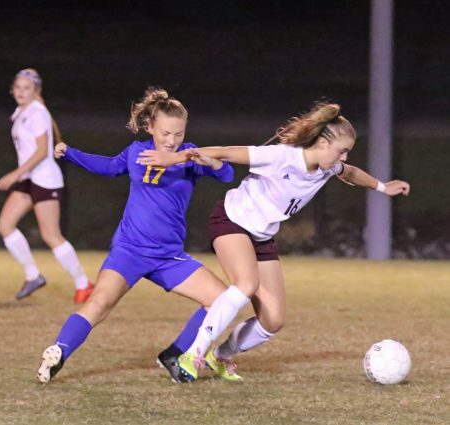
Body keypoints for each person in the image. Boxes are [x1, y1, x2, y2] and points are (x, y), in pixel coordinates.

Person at [137, 102, 411, 381]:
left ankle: (219, 356)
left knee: (273, 320)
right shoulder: (282, 157)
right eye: (342, 150)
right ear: (324, 141)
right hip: (231, 221)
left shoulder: (328, 167)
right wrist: (173, 159)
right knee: (245, 285)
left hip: (261, 237)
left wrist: (381, 186)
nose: (344, 156)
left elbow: (350, 172)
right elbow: (224, 152)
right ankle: (192, 355)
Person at [36, 87, 236, 384]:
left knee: (222, 300)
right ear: (151, 127)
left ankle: (175, 353)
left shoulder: (189, 155)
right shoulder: (135, 153)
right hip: (130, 250)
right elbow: (108, 167)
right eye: (166, 133)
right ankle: (58, 352)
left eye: (178, 134)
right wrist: (71, 153)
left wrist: (212, 162)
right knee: (100, 302)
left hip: (168, 256)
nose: (172, 141)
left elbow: (228, 175)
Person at [0, 68, 93, 303]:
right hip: (29, 178)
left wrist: (14, 175)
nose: (21, 92)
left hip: (44, 178)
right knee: (5, 225)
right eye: (18, 87)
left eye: (26, 88)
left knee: (51, 235)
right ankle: (33, 275)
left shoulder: (37, 113)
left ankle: (83, 283)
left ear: (36, 91)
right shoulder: (22, 111)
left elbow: (42, 151)